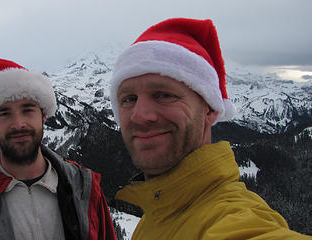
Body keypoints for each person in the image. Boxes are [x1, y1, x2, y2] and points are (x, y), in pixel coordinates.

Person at [109, 18, 312, 239]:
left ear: (210, 109)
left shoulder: (230, 216)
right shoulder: (158, 212)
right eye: (128, 99)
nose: (140, 115)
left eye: (164, 95)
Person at [0, 57, 116, 240]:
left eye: (27, 109)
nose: (18, 124)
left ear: (43, 115)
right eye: (4, 113)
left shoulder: (84, 187)